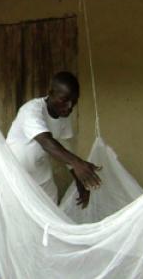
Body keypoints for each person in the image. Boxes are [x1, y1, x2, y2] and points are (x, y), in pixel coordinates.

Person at [6, 72, 101, 206]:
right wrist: (77, 163)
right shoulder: (31, 111)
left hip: (41, 175)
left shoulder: (63, 115)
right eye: (64, 100)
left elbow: (64, 148)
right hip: (15, 175)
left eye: (74, 101)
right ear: (51, 93)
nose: (69, 107)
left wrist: (79, 180)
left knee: (51, 214)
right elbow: (46, 142)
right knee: (21, 221)